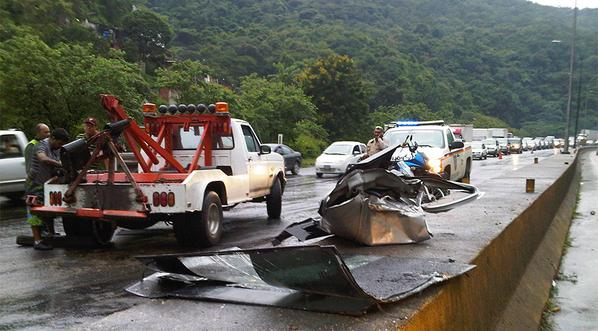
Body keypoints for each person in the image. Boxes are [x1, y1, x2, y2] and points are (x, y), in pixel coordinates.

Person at [27, 128, 70, 250]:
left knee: (49, 211)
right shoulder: (41, 146)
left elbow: (56, 162)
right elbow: (43, 159)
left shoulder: (56, 149)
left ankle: (51, 234)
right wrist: (61, 165)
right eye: (59, 143)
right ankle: (37, 241)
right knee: (34, 211)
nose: (60, 146)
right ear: (53, 138)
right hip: (35, 184)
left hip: (47, 184)